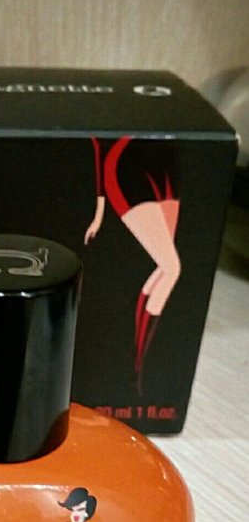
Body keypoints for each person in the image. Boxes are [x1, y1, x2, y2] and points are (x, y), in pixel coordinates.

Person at [85, 136, 181, 389]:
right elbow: (97, 141)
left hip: (168, 161)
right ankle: (137, 370)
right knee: (172, 268)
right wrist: (99, 212)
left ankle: (137, 368)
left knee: (164, 268)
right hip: (126, 165)